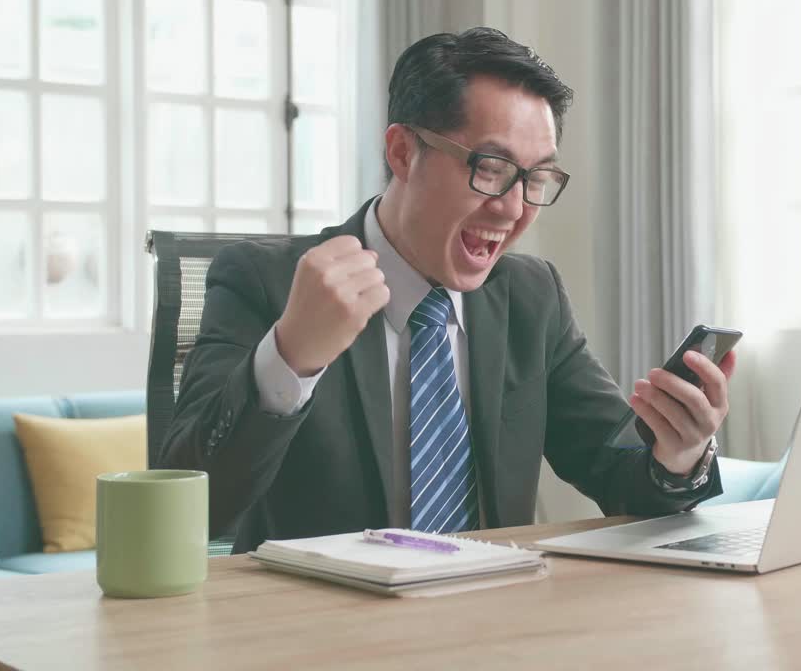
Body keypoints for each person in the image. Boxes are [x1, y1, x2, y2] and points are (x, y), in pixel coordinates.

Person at [159, 27, 736, 552]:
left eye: (536, 178)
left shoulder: (533, 298)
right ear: (403, 152)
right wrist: (290, 358)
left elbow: (619, 478)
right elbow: (192, 511)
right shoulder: (267, 281)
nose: (512, 207)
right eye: (489, 167)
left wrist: (677, 453)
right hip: (322, 637)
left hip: (490, 630)